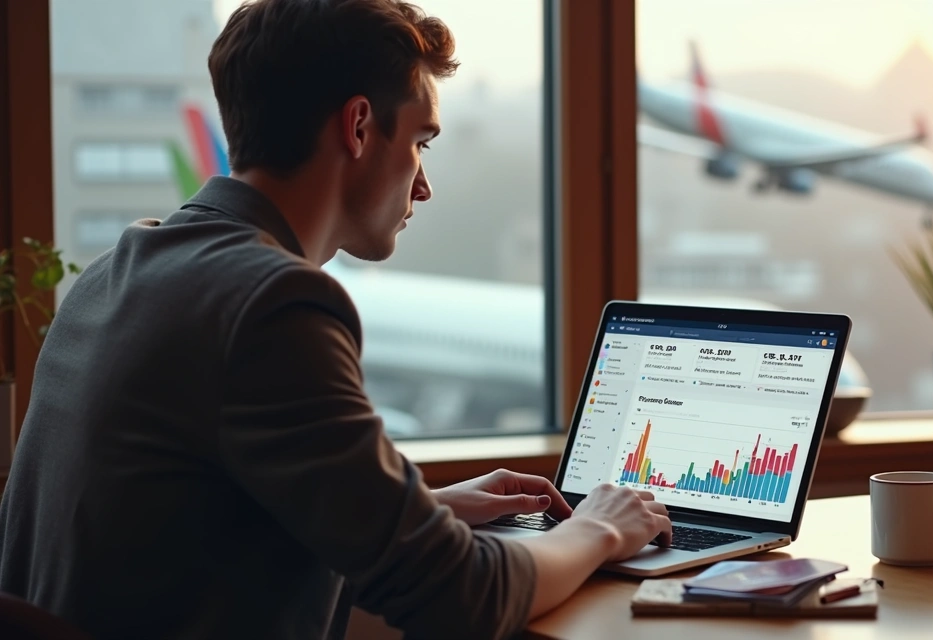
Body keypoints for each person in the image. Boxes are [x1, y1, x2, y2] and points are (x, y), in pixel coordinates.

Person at [0, 1, 672, 638]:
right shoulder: (273, 304)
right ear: (358, 127)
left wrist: (425, 510)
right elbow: (465, 597)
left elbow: (199, 526)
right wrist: (599, 529)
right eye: (420, 142)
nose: (424, 185)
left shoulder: (117, 270)